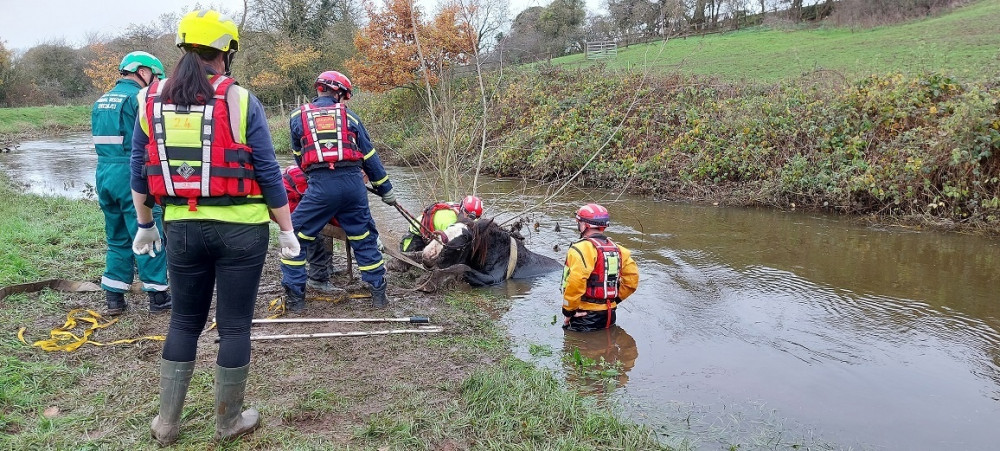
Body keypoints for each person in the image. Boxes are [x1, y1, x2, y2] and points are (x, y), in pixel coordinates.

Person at [128, 9, 298, 446]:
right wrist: (286, 229)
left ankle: (166, 425)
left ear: (183, 48)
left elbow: (139, 169)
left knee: (184, 321)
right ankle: (228, 423)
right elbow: (266, 170)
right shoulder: (241, 100)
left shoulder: (150, 99)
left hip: (181, 228)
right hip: (242, 230)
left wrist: (145, 224)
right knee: (235, 326)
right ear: (227, 53)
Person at [279, 70, 396, 311]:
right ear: (340, 93)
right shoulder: (350, 118)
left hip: (320, 185)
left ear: (319, 89)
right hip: (354, 185)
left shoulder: (296, 117)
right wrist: (385, 189)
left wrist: (317, 177)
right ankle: (379, 297)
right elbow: (369, 156)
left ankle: (296, 302)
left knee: (295, 238)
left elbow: (300, 157)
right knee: (364, 238)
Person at [91, 51, 170, 315]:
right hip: (129, 175)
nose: (155, 82)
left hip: (104, 175)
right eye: (155, 76)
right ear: (143, 72)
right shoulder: (138, 98)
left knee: (116, 237)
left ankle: (114, 298)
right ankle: (158, 297)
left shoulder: (101, 101)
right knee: (148, 231)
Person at [561, 203, 639, 332]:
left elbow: (575, 282)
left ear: (585, 225)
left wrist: (569, 311)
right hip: (610, 314)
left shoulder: (580, 248)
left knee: (577, 349)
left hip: (585, 315)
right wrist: (613, 301)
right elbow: (632, 281)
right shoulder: (619, 249)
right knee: (607, 348)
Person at [281, 165, 338, 293]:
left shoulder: (317, 172)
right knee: (313, 238)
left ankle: (325, 270)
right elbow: (331, 212)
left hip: (283, 202)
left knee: (313, 235)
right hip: (289, 205)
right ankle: (317, 280)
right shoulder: (323, 183)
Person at [400, 195, 484, 252]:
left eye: (476, 217)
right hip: (416, 233)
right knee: (406, 260)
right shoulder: (449, 220)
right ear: (462, 208)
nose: (471, 219)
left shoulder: (469, 218)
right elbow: (447, 246)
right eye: (468, 214)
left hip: (434, 231)